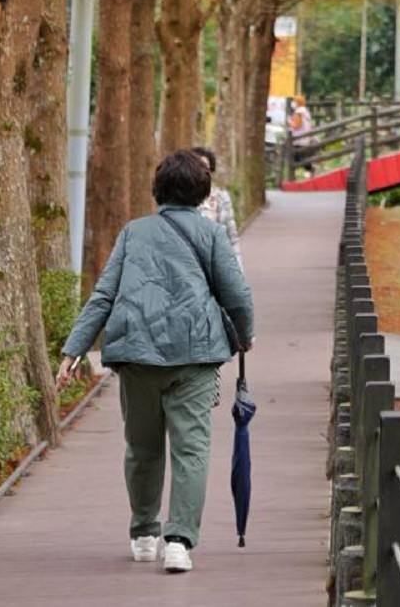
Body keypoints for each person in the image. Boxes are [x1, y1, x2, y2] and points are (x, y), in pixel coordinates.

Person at [56, 147, 254, 575]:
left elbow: (103, 295)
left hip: (137, 354)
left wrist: (74, 349)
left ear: (158, 189)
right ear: (203, 193)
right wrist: (245, 335)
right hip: (196, 354)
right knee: (192, 449)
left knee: (142, 447)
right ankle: (179, 541)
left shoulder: (134, 232)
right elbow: (237, 295)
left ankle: (144, 533)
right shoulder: (211, 234)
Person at [192, 145, 244, 270]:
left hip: (216, 267)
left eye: (206, 169)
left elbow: (232, 238)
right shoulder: (180, 200)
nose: (202, 173)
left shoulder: (221, 198)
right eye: (197, 168)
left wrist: (238, 270)